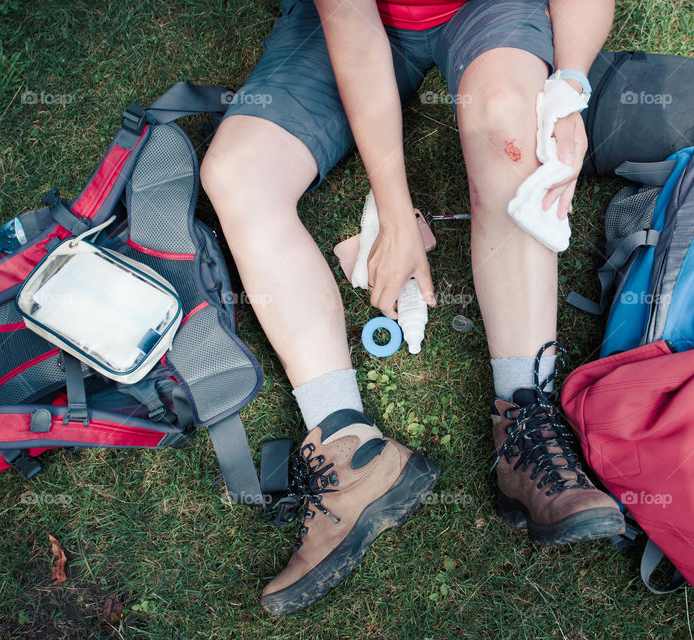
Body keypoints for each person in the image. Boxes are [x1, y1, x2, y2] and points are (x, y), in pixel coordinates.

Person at [201, 0, 622, 616]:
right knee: (237, 173)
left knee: (510, 124)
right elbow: (355, 30)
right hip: (354, 23)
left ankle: (525, 418)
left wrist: (570, 84)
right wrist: (393, 213)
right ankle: (349, 450)